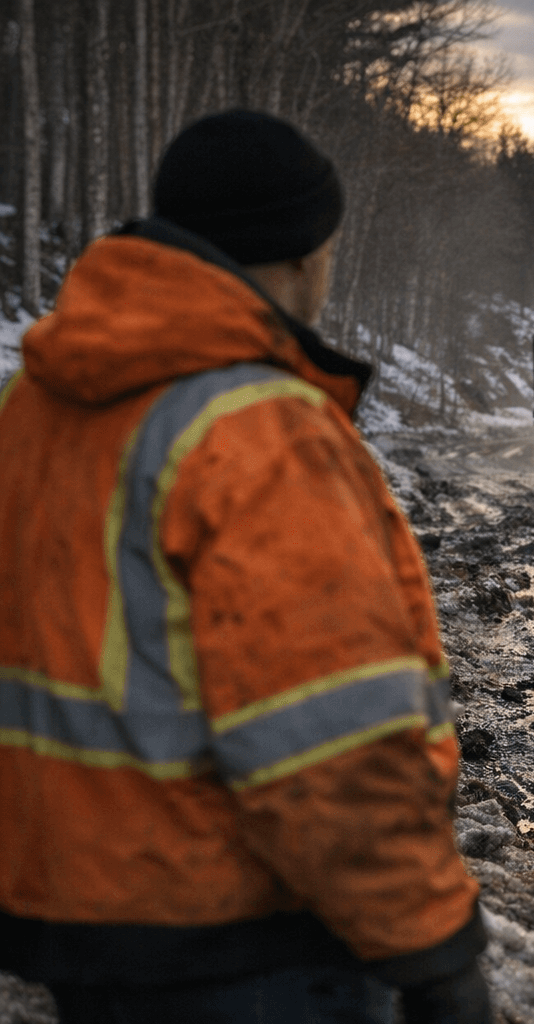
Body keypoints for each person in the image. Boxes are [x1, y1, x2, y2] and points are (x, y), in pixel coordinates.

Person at [0, 110, 490, 1023]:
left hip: (75, 922)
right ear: (306, 256)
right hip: (247, 935)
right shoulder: (257, 431)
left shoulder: (31, 407)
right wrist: (429, 944)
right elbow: (329, 737)